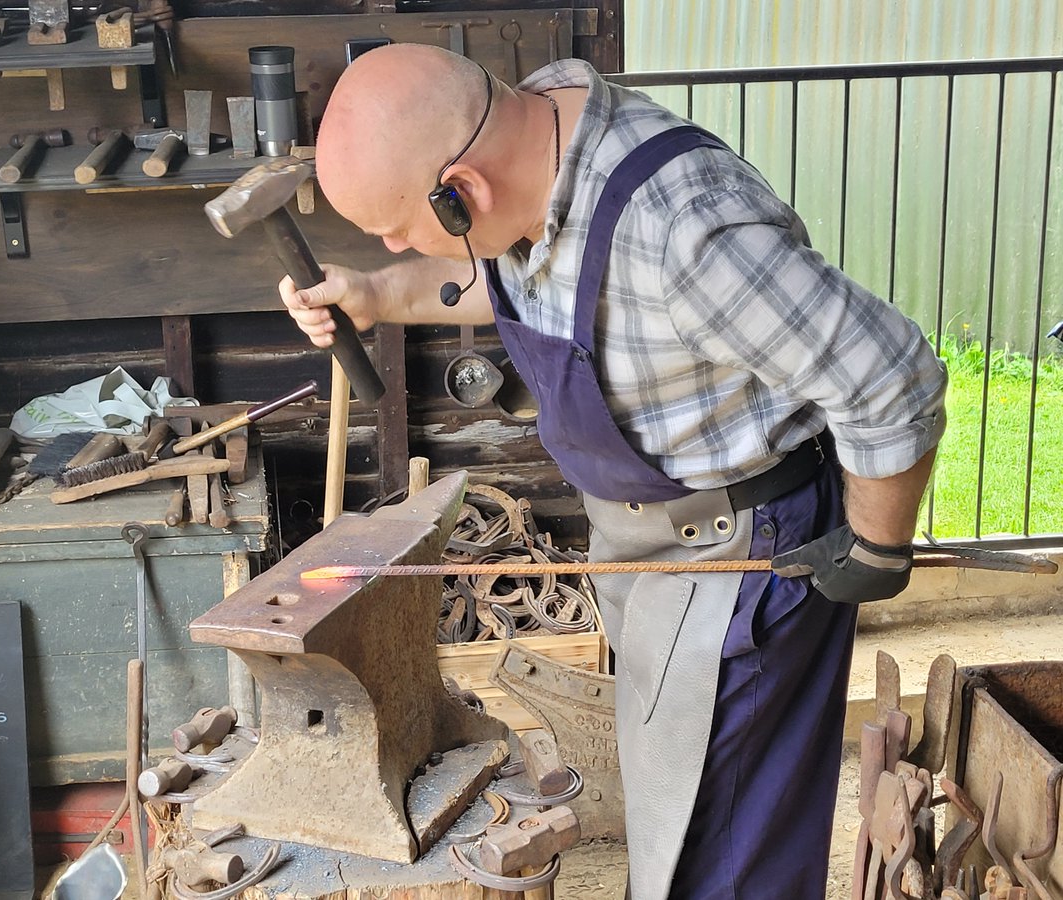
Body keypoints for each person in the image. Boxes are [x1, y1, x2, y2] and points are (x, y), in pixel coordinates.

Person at [280, 43, 947, 900]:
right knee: (674, 818)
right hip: (650, 550)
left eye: (395, 226)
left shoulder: (684, 231)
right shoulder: (536, 147)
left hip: (742, 558)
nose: (390, 241)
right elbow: (501, 279)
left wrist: (879, 550)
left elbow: (891, 377)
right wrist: (374, 293)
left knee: (728, 851)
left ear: (461, 190)